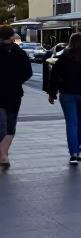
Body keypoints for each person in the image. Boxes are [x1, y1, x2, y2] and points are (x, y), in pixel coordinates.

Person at [47, 32, 81, 164]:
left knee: (71, 123)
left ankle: (74, 153)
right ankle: (77, 147)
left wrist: (52, 93)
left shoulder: (64, 57)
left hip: (67, 93)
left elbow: (55, 76)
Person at [0, 25, 34, 170]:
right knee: (10, 126)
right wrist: (16, 80)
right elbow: (28, 72)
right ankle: (4, 155)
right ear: (11, 36)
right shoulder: (20, 53)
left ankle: (3, 154)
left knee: (1, 126)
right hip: (14, 93)